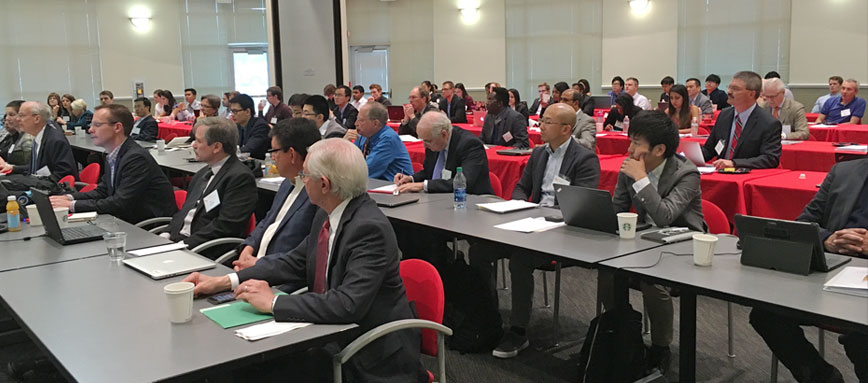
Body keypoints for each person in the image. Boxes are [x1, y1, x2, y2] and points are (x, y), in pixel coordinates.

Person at [182, 138, 425, 383]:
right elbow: (293, 262)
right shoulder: (327, 212)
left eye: (305, 175)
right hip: (329, 333)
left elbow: (348, 304)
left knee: (250, 370)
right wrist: (226, 281)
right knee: (239, 363)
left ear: (324, 184)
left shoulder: (369, 228)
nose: (301, 180)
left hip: (368, 352)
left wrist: (274, 302)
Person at [472, 103, 601, 359]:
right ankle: (487, 315)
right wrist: (520, 206)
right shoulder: (539, 153)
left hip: (561, 230)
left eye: (547, 122)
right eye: (541, 120)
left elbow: (581, 203)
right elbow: (522, 187)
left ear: (566, 129)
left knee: (520, 260)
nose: (540, 126)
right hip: (528, 221)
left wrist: (545, 217)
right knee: (479, 250)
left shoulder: (585, 158)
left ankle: (518, 331)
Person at [604, 110, 705, 373]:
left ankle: (661, 347)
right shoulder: (631, 167)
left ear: (659, 149)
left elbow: (664, 216)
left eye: (637, 143)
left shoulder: (687, 173)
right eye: (631, 141)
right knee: (606, 273)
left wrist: (640, 179)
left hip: (683, 245)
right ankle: (626, 331)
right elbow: (617, 210)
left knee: (652, 280)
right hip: (643, 239)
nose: (630, 149)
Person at [751, 158, 868, 383]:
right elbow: (804, 223)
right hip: (834, 271)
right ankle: (821, 376)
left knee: (861, 339)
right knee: (766, 312)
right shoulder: (844, 172)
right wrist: (827, 240)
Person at [48, 104, 177, 224]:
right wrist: (68, 198)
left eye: (97, 125)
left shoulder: (136, 158)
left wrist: (72, 205)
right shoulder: (113, 154)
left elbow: (119, 203)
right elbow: (103, 191)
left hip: (147, 227)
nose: (90, 129)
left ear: (117, 127)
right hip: (125, 220)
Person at [231, 118, 321, 272]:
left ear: (291, 154)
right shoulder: (287, 182)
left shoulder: (318, 194)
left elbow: (304, 254)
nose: (272, 158)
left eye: (274, 151)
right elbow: (268, 220)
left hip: (278, 277)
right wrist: (249, 247)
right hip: (254, 267)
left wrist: (259, 265)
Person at [164, 117, 257, 256]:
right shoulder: (202, 173)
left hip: (204, 250)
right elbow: (184, 212)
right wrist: (166, 234)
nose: (193, 145)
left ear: (217, 147)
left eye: (199, 141)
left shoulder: (239, 178)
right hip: (179, 244)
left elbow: (225, 226)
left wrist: (182, 246)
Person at [395, 111, 493, 195]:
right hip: (440, 199)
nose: (425, 146)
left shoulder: (470, 144)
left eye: (428, 141)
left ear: (444, 134)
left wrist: (422, 185)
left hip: (471, 200)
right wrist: (411, 179)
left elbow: (464, 182)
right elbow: (429, 172)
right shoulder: (433, 140)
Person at [701, 71, 782, 169]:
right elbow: (710, 149)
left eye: (735, 89)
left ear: (751, 94)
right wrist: (689, 158)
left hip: (746, 175)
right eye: (729, 87)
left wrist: (734, 163)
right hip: (720, 173)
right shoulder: (724, 115)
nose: (729, 92)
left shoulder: (769, 123)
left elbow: (770, 159)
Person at [2, 102, 77, 180]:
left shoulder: (54, 140)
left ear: (37, 119)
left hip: (52, 188)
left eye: (21, 115)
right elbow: (36, 167)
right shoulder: (39, 136)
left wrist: (31, 183)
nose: (18, 119)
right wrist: (14, 168)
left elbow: (63, 175)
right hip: (39, 182)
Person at [350, 102, 413, 181]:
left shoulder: (388, 139)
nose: (356, 124)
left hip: (396, 186)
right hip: (374, 183)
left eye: (361, 120)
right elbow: (350, 162)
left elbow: (367, 171)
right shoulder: (363, 135)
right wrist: (345, 143)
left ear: (375, 123)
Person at [230, 93, 270, 160]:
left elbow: (248, 149)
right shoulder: (238, 126)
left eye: (235, 111)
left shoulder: (260, 126)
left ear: (247, 111)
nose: (232, 115)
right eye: (232, 111)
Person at [0, 100, 33, 167]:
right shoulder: (16, 136)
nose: (7, 118)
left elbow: (30, 166)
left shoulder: (29, 137)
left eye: (11, 115)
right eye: (6, 115)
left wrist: (11, 167)